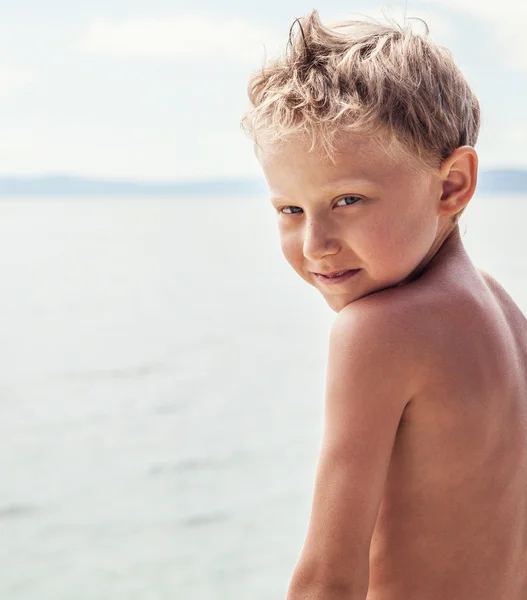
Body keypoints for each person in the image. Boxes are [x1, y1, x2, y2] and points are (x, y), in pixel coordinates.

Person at [240, 10, 527, 600]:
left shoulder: (379, 331)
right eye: (289, 210)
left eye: (347, 199)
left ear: (451, 185)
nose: (315, 244)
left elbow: (328, 580)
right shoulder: (505, 317)